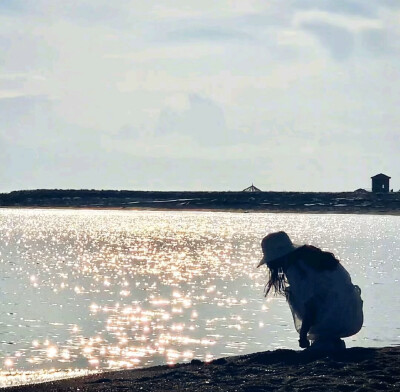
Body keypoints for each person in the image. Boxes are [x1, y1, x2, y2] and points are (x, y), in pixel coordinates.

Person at [257, 231, 363, 350]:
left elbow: (310, 306)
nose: (268, 265)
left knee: (293, 294)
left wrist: (303, 336)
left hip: (336, 318)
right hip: (352, 314)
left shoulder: (296, 269)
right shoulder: (314, 257)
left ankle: (324, 340)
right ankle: (331, 341)